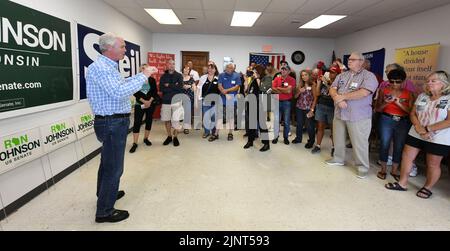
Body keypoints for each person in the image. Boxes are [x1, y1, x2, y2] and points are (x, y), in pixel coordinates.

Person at [86, 33, 156, 223]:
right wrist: (144, 75)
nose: (125, 50)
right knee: (114, 168)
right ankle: (105, 211)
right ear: (110, 48)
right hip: (111, 123)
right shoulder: (101, 68)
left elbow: (122, 85)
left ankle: (105, 194)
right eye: (123, 46)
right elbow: (118, 92)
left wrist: (138, 77)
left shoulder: (108, 67)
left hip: (112, 122)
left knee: (107, 162)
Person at [385, 71, 450, 199]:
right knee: (407, 157)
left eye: (433, 81)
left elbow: (449, 120)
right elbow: (413, 114)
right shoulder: (422, 96)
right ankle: (402, 183)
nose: (429, 83)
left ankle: (427, 187)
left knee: (432, 164)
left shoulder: (448, 99)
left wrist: (427, 129)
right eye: (428, 81)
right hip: (416, 132)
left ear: (444, 84)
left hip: (438, 136)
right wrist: (419, 128)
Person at [326, 52, 379, 179]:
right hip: (340, 113)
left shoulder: (369, 76)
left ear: (361, 62)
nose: (349, 61)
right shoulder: (342, 75)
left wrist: (341, 97)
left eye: (353, 59)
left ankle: (362, 167)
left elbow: (364, 92)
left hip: (358, 116)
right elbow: (332, 88)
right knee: (338, 138)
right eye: (349, 59)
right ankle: (338, 158)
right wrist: (337, 98)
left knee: (359, 142)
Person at [375, 69, 413, 180]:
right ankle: (383, 169)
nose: (395, 84)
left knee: (399, 146)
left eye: (398, 81)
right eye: (392, 81)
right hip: (386, 119)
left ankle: (394, 170)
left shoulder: (408, 93)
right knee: (384, 144)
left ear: (403, 81)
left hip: (402, 121)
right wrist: (386, 103)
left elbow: (411, 112)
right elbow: (378, 108)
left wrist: (397, 102)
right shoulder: (383, 90)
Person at [129, 64, 160, 153]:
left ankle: (146, 139)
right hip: (140, 104)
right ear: (140, 70)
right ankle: (135, 143)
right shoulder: (137, 80)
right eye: (142, 68)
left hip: (150, 104)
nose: (144, 69)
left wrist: (149, 102)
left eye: (146, 68)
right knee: (137, 123)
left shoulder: (152, 80)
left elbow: (154, 92)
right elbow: (135, 92)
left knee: (149, 120)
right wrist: (144, 102)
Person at [311, 66, 340, 155]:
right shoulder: (324, 81)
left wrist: (326, 83)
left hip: (332, 108)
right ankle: (318, 145)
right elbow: (317, 94)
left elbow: (335, 94)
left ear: (337, 74)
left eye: (333, 72)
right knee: (320, 127)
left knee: (333, 130)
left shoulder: (339, 83)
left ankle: (334, 147)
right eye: (330, 72)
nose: (330, 74)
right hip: (321, 106)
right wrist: (319, 83)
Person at [244, 64, 270, 152]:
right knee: (252, 124)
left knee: (262, 125)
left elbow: (263, 89)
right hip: (251, 103)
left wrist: (258, 79)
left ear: (260, 72)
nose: (254, 73)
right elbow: (250, 90)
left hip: (260, 104)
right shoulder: (253, 79)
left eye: (255, 71)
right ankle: (250, 141)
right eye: (253, 71)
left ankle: (266, 144)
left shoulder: (266, 78)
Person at [160, 59, 184, 147]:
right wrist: (174, 86)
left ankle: (175, 137)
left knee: (176, 120)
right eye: (170, 64)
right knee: (167, 120)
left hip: (176, 101)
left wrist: (168, 85)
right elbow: (161, 89)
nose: (172, 65)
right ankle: (169, 136)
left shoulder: (179, 75)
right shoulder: (163, 76)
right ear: (167, 65)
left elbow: (180, 88)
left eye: (173, 64)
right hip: (166, 101)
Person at [272, 65, 296, 145]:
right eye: (282, 69)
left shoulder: (292, 80)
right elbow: (272, 89)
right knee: (276, 120)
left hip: (287, 102)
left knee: (286, 121)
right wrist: (284, 90)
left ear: (289, 71)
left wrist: (278, 88)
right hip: (277, 101)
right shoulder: (277, 78)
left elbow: (289, 91)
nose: (283, 71)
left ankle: (285, 137)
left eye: (285, 70)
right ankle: (276, 137)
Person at [218, 63, 242, 141]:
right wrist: (224, 93)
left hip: (232, 99)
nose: (229, 69)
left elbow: (237, 87)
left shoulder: (237, 76)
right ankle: (216, 134)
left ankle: (230, 133)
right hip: (222, 98)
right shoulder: (221, 75)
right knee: (219, 117)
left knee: (230, 118)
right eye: (227, 67)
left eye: (231, 68)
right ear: (225, 68)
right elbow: (219, 85)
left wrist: (227, 90)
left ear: (233, 69)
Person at [293, 70, 316, 148]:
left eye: (305, 75)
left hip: (308, 108)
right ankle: (298, 138)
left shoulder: (313, 84)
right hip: (299, 107)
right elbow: (295, 96)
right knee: (299, 124)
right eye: (302, 75)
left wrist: (312, 110)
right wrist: (299, 91)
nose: (304, 77)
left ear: (309, 75)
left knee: (309, 125)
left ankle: (311, 141)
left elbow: (315, 98)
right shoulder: (300, 84)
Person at [200, 64, 221, 141]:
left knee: (213, 118)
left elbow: (221, 90)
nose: (211, 70)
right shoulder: (203, 78)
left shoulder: (218, 79)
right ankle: (206, 132)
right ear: (207, 69)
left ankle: (214, 132)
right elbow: (199, 89)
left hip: (215, 102)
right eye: (209, 68)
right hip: (205, 101)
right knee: (205, 117)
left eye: (212, 68)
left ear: (215, 70)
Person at [182, 65, 196, 134]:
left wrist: (190, 86)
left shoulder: (191, 78)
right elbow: (175, 86)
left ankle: (186, 128)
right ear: (183, 70)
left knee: (187, 113)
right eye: (185, 69)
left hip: (189, 98)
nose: (186, 71)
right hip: (180, 98)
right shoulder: (179, 77)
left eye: (188, 70)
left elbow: (194, 88)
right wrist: (182, 86)